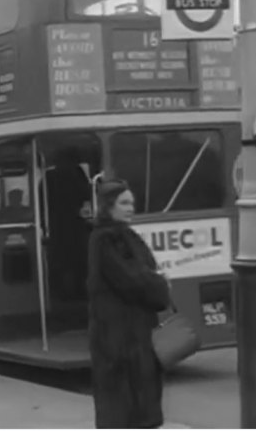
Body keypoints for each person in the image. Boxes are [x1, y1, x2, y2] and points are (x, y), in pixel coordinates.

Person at [87, 179, 171, 429]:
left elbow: (141, 273)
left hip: (132, 332)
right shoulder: (107, 239)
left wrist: (154, 279)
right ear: (108, 206)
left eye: (132, 203)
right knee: (124, 402)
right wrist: (160, 284)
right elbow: (131, 279)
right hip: (118, 336)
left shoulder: (122, 234)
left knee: (136, 398)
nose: (130, 208)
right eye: (124, 203)